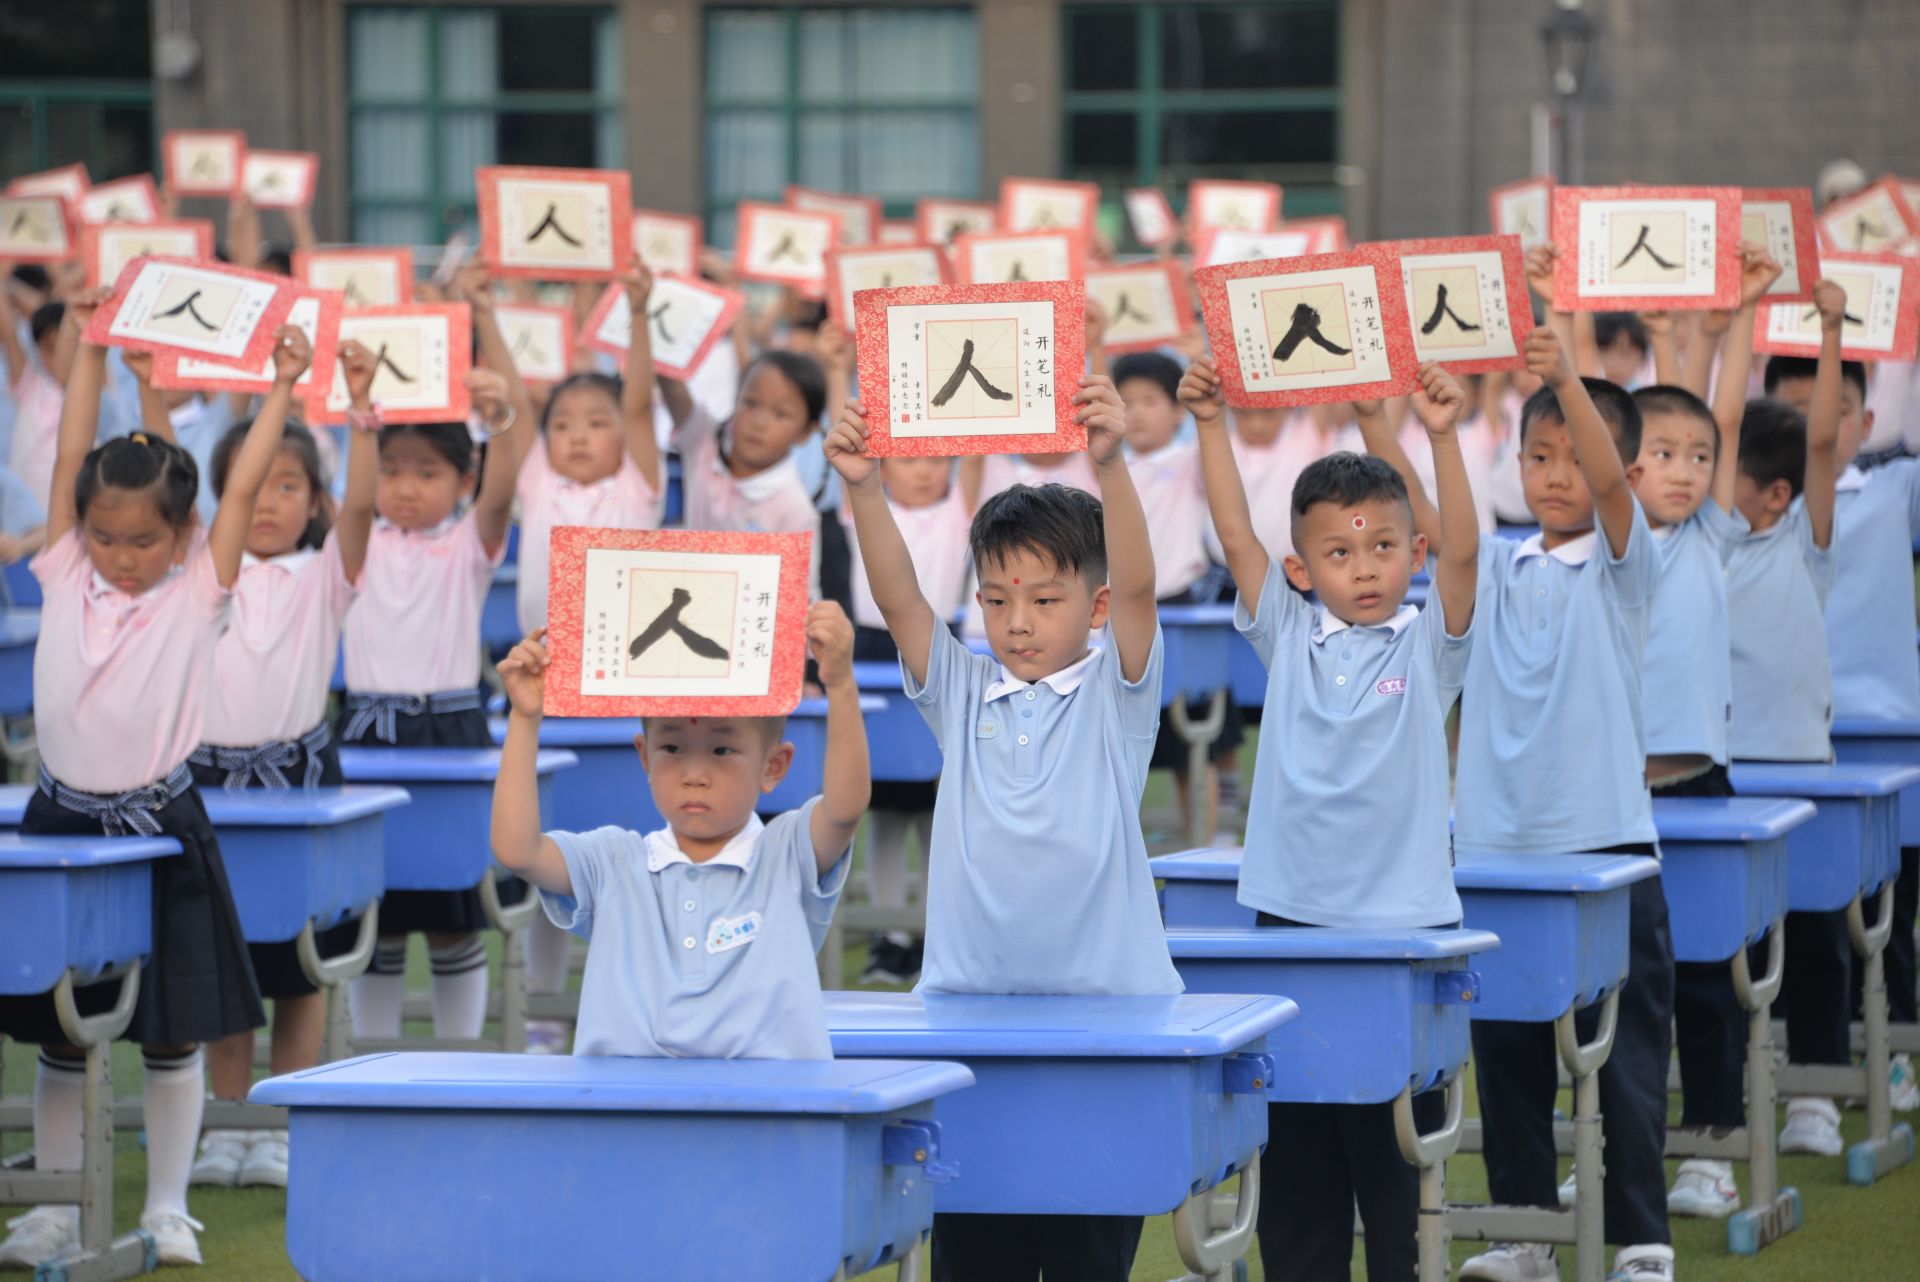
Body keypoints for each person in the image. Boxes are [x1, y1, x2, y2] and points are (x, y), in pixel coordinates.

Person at [827, 375, 1179, 1282]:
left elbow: (1139, 584)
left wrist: (1110, 465)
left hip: (1105, 1020)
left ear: (1093, 610)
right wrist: (865, 488)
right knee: (974, 1251)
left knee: (1084, 1257)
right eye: (995, 600)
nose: (1017, 623)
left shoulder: (1117, 695)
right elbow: (903, 601)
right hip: (967, 1018)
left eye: (1044, 600)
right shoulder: (964, 688)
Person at [0, 298, 308, 1269]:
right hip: (62, 819)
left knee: (170, 1033)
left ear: (184, 536)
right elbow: (65, 456)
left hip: (164, 825)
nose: (123, 558)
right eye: (106, 536)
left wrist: (284, 385)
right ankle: (52, 1207)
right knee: (59, 1030)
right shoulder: (60, 569)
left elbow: (249, 472)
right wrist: (91, 348)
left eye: (144, 541)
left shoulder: (198, 589)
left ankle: (168, 1208)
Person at [1186, 353, 1476, 1282]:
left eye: (1384, 547)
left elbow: (1467, 551)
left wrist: (1438, 434)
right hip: (1293, 928)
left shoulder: (1430, 645)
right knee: (1300, 1160)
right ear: (1302, 569)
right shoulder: (1290, 634)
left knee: (1392, 1169)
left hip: (1401, 933)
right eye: (1339, 553)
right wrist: (1208, 423)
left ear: (1413, 555)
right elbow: (1235, 535)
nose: (1363, 568)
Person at [1453, 319, 1674, 1282]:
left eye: (1571, 458)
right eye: (1535, 456)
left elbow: (1613, 484)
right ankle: (1524, 1232)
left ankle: (1641, 1237)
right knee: (1504, 1054)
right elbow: (1438, 521)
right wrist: (1406, 422)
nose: (1554, 475)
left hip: (1608, 846)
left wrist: (1564, 381)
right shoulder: (1495, 562)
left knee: (1622, 1057)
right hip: (1496, 850)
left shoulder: (1629, 566)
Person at [488, 602, 866, 1058]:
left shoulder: (786, 852)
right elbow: (518, 851)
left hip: (769, 1117)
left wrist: (841, 684)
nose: (694, 774)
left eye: (722, 750)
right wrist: (525, 719)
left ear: (774, 766)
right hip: (631, 1117)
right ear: (645, 756)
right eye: (671, 747)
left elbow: (845, 809)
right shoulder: (614, 861)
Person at [182, 339, 377, 1191]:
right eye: (252, 486)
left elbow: (365, 511)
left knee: (299, 968)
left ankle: (285, 1123)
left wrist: (362, 413)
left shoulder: (324, 574)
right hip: (211, 785)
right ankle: (227, 1125)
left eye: (287, 487)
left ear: (315, 501)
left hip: (298, 781)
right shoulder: (199, 573)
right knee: (226, 961)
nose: (266, 503)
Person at [1622, 248, 1779, 1218]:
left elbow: (1721, 414)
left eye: (1697, 461)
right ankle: (1615, 1154)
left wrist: (1742, 318)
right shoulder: (1610, 545)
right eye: (1660, 456)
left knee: (1708, 978)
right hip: (1612, 797)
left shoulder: (1711, 535)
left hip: (1698, 788)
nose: (1683, 472)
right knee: (1624, 988)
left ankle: (1713, 1146)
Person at [338, 351, 523, 1047]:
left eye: (427, 473)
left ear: (462, 479)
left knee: (454, 911)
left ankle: (462, 1056)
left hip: (450, 732)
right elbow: (353, 499)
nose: (406, 488)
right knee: (373, 908)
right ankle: (373, 1060)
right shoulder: (355, 542)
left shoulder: (468, 547)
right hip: (366, 734)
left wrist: (497, 419)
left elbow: (501, 498)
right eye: (391, 471)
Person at [503, 255, 663, 1053]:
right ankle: (538, 1013)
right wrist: (484, 313)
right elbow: (517, 401)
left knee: (631, 861)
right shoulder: (536, 481)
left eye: (595, 424)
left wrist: (636, 314)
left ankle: (628, 1014)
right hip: (550, 687)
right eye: (564, 425)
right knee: (549, 864)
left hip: (626, 684)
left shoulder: (638, 485)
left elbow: (638, 399)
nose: (577, 437)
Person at [1769, 347, 1920, 1112]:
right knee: (1804, 916)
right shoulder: (1759, 512)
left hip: (1887, 736)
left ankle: (1890, 1049)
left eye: (1829, 409)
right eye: (1792, 413)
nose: (1815, 426)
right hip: (1795, 745)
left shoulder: (1896, 488)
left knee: (1888, 916)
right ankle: (1812, 1071)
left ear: (1866, 419)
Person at [1726, 284, 1847, 1156]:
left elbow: (1827, 445)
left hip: (1797, 760)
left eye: (1718, 469)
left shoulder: (1806, 536)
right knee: (1728, 937)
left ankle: (1815, 1091)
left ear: (1774, 494)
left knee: (1810, 929)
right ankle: (1732, 1081)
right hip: (1725, 767)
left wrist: (1834, 330)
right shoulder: (1694, 545)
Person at [841, 449, 972, 986]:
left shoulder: (961, 511)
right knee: (888, 813)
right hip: (873, 649)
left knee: (937, 807)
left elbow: (976, 453)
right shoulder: (860, 510)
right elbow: (849, 460)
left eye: (937, 460)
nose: (923, 471)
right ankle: (890, 940)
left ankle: (933, 933)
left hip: (940, 645)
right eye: (909, 460)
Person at [1113, 350, 1241, 843]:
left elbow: (1215, 450)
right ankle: (1130, 849)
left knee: (1199, 740)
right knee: (1135, 737)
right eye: (1126, 401)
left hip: (1184, 611)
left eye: (1149, 400)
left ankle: (1210, 838)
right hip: (1126, 616)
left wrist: (1211, 403)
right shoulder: (1107, 464)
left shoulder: (1188, 460)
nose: (1137, 412)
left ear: (1175, 410)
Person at [661, 348, 827, 595]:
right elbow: (671, 386)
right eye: (750, 403)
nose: (759, 422)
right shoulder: (704, 440)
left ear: (806, 432)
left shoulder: (796, 511)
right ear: (735, 398)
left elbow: (799, 596)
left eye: (780, 413)